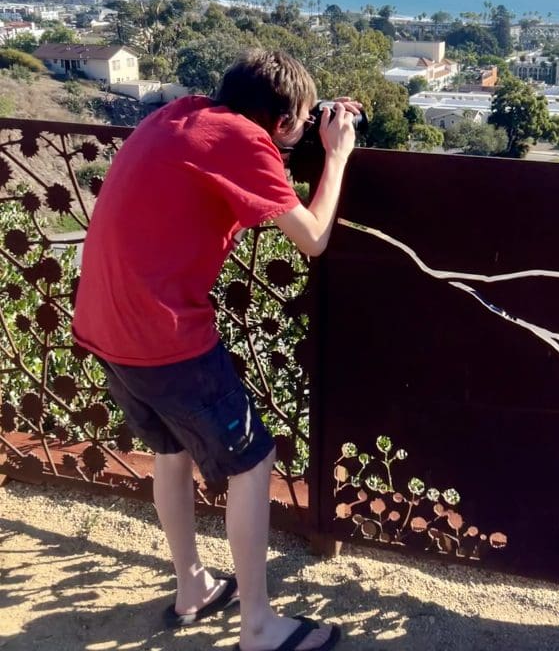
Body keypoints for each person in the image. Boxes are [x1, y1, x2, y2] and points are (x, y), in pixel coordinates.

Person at [72, 49, 358, 651]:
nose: (304, 131)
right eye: (303, 121)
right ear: (279, 124)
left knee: (173, 453)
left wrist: (308, 121)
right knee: (253, 462)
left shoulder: (178, 113)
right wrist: (334, 156)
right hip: (163, 338)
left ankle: (193, 587)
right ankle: (257, 626)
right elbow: (313, 238)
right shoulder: (246, 141)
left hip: (104, 324)